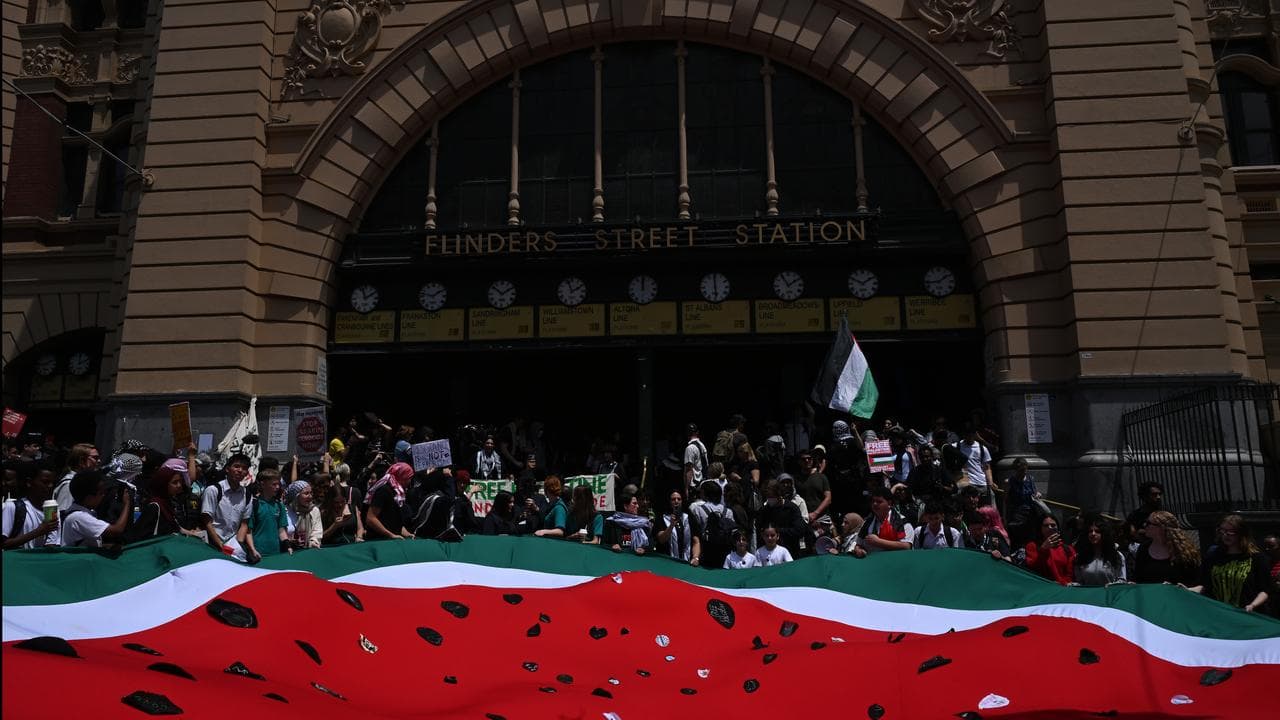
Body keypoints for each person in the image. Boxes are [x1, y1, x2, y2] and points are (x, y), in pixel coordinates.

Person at [1189, 514, 1271, 612]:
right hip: (1220, 613)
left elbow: (1265, 590)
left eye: (1231, 532)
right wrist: (1187, 590)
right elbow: (1204, 586)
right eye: (1222, 531)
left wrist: (1252, 605)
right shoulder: (1213, 556)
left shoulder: (1256, 558)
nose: (1225, 535)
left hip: (1247, 614)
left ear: (1242, 533)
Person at [127, 467, 202, 542]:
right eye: (175, 482)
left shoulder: (167, 503)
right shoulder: (155, 506)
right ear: (164, 484)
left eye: (180, 481)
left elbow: (175, 526)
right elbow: (143, 536)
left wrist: (190, 533)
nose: (179, 485)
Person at [61, 470, 132, 548]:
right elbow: (116, 530)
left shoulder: (83, 513)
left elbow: (85, 545)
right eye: (101, 493)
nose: (103, 496)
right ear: (89, 498)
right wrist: (127, 503)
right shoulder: (78, 517)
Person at [199, 452, 252, 552]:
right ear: (227, 469)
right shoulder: (213, 490)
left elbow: (244, 524)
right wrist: (220, 546)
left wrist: (237, 546)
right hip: (211, 545)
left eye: (244, 468)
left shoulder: (247, 495)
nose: (240, 470)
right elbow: (207, 522)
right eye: (236, 466)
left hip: (232, 547)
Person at [1, 462, 61, 549]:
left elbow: (52, 544)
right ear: (29, 482)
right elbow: (4, 544)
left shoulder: (53, 510)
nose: (50, 486)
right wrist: (38, 532)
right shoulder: (13, 507)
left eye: (53, 483)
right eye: (45, 482)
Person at [1132, 511, 1199, 586]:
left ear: (1161, 528)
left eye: (1148, 523)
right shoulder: (1143, 548)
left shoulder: (1183, 550)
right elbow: (1138, 578)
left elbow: (1194, 581)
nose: (1144, 525)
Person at [238, 469, 289, 562]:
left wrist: (287, 545)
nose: (277, 487)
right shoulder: (254, 504)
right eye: (274, 484)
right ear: (263, 484)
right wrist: (252, 549)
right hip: (258, 554)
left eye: (278, 484)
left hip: (276, 554)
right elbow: (248, 531)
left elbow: (281, 530)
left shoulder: (279, 505)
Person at [853, 486, 914, 558]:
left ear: (889, 503)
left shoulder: (902, 522)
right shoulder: (867, 522)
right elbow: (858, 544)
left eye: (879, 502)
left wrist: (878, 542)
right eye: (873, 501)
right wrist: (858, 550)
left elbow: (906, 546)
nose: (874, 504)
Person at [690, 479, 736, 568]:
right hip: (725, 550)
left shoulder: (698, 509)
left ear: (705, 493)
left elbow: (696, 532)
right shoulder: (728, 511)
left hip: (706, 549)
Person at [756, 477, 806, 558]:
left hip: (790, 552)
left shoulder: (791, 508)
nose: (769, 499)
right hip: (769, 555)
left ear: (779, 494)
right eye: (767, 497)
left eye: (771, 496)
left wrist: (778, 531)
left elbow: (799, 530)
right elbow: (759, 530)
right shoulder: (764, 511)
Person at [364, 462, 414, 540]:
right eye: (409, 478)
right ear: (402, 477)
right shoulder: (384, 491)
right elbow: (371, 518)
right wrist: (390, 535)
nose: (410, 481)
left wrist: (407, 534)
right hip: (378, 541)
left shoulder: (398, 494)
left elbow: (394, 521)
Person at [1072, 515, 1127, 586]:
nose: (1093, 534)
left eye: (1097, 531)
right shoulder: (1080, 557)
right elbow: (1080, 582)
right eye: (1090, 531)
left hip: (1109, 595)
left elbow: (1122, 580)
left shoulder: (1117, 556)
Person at [1024, 512, 1075, 585]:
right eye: (1046, 525)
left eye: (1053, 525)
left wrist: (1062, 583)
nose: (1050, 528)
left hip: (1062, 589)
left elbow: (1070, 574)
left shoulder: (1068, 549)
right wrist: (1044, 549)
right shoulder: (1032, 546)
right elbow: (1032, 569)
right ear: (1040, 529)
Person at [951, 423, 993, 503]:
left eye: (971, 433)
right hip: (965, 484)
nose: (969, 436)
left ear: (975, 434)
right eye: (967, 433)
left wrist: (990, 483)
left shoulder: (982, 448)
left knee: (984, 509)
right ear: (963, 434)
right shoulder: (956, 446)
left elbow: (987, 468)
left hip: (981, 483)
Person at [656, 489, 700, 565]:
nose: (676, 501)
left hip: (686, 562)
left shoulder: (689, 518)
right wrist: (671, 525)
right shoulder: (662, 518)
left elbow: (696, 541)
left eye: (679, 499)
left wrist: (695, 558)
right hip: (666, 562)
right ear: (669, 502)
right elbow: (661, 539)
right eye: (673, 499)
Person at [52, 443, 99, 511]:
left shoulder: (80, 482)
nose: (99, 461)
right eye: (95, 458)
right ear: (81, 461)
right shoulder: (69, 484)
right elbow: (63, 513)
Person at [796, 449, 832, 526]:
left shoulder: (822, 477)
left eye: (809, 458)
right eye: (803, 459)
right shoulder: (796, 479)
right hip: (804, 518)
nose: (807, 460)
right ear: (799, 462)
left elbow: (828, 498)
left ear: (812, 460)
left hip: (822, 518)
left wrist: (815, 513)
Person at [284, 480, 323, 550]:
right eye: (306, 493)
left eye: (311, 493)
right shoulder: (285, 511)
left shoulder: (314, 510)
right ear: (296, 496)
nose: (310, 496)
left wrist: (313, 541)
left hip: (307, 551)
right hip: (287, 550)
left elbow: (317, 531)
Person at [684, 423, 709, 497]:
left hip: (695, 486)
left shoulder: (690, 448)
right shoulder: (702, 445)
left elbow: (689, 470)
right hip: (704, 483)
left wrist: (686, 488)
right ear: (697, 432)